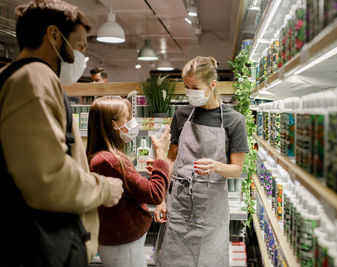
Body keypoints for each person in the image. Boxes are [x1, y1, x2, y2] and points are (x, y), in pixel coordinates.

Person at [0, 0, 124, 265]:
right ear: (54, 36)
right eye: (79, 46)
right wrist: (105, 188)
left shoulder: (16, 77)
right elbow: (47, 179)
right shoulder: (34, 79)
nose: (81, 57)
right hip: (40, 249)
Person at [153, 56, 249, 266]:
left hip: (211, 213)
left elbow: (236, 169)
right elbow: (170, 160)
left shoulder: (234, 121)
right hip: (179, 205)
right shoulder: (181, 115)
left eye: (194, 87)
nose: (189, 92)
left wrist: (216, 166)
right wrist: (161, 199)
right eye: (186, 87)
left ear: (212, 84)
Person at [86, 96, 172, 267]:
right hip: (122, 243)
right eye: (128, 118)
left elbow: (133, 190)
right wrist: (161, 156)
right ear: (113, 124)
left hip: (120, 241)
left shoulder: (103, 156)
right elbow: (154, 194)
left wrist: (154, 172)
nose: (133, 123)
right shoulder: (110, 161)